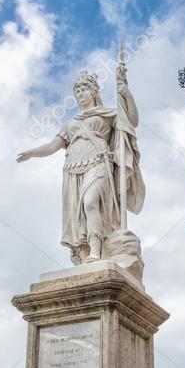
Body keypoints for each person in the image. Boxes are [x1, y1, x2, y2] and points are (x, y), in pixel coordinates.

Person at [17, 66, 144, 264]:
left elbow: (132, 121)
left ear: (94, 92)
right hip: (73, 167)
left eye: (84, 89)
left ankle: (96, 250)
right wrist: (32, 152)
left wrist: (125, 93)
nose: (80, 94)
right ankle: (84, 252)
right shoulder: (70, 124)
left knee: (91, 202)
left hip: (99, 161)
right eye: (77, 91)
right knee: (79, 214)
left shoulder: (106, 115)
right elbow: (53, 146)